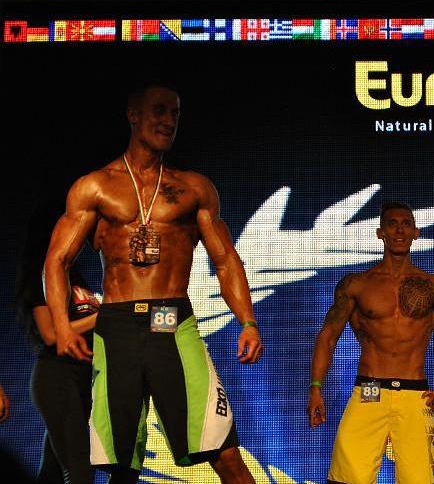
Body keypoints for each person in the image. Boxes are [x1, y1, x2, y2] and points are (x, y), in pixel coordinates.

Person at [44, 83, 262, 484]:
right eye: (159, 111)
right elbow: (57, 260)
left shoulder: (193, 188)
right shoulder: (95, 187)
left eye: (175, 114)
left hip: (172, 321)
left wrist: (247, 321)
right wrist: (61, 325)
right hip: (117, 326)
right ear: (133, 115)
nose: (168, 121)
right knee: (121, 465)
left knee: (223, 450)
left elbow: (226, 259)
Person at [307, 202, 434, 484]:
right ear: (380, 233)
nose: (399, 230)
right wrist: (315, 388)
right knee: (347, 479)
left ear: (416, 233)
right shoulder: (357, 285)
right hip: (370, 390)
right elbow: (328, 336)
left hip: (414, 395)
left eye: (406, 224)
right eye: (392, 224)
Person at [15, 201, 99, 484]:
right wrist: (103, 316)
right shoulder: (38, 276)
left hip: (84, 378)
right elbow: (51, 335)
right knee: (79, 470)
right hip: (58, 376)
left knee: (52, 472)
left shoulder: (74, 276)